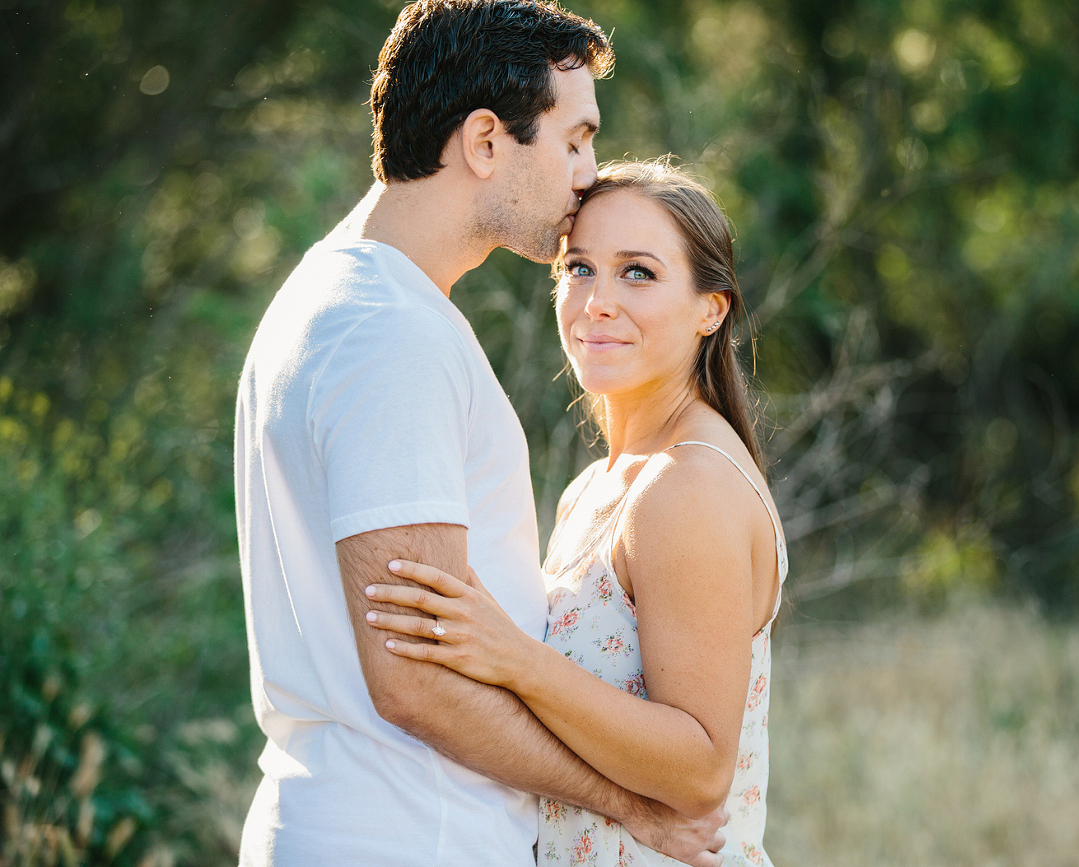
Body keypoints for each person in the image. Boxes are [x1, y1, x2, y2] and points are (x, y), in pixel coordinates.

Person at [234, 3, 724, 865]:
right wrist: (627, 805)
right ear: (487, 142)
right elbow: (416, 680)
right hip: (405, 837)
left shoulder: (341, 299)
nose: (588, 174)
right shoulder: (388, 332)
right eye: (574, 140)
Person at [363, 159, 785, 866]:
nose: (596, 301)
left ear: (710, 309)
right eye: (578, 268)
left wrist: (514, 658)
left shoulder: (688, 487)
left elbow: (702, 766)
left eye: (638, 273)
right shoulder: (595, 487)